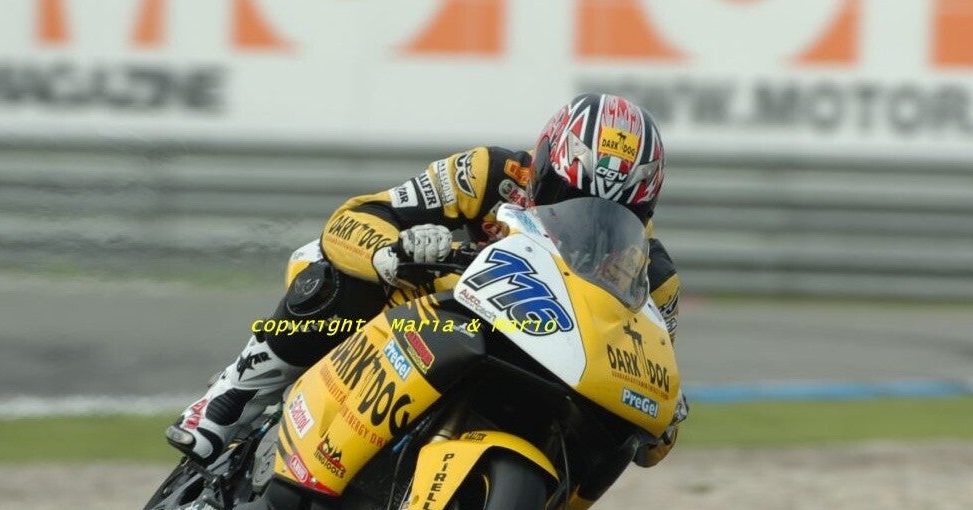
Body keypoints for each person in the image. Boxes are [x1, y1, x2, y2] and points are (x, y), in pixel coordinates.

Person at [166, 93, 685, 469]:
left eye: (614, 212)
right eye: (569, 197)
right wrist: (390, 253)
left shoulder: (654, 277)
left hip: (538, 355)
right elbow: (354, 218)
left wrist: (664, 410)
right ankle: (233, 395)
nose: (587, 220)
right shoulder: (490, 173)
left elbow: (652, 441)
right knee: (335, 274)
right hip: (427, 312)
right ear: (545, 165)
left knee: (607, 432)